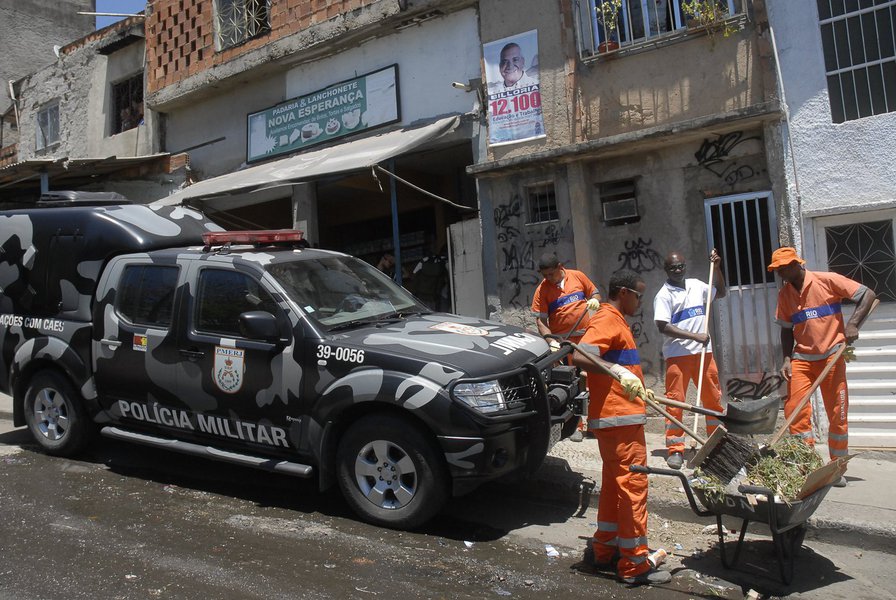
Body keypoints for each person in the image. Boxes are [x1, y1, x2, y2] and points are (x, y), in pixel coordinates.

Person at [570, 270, 672, 586]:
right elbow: (581, 356)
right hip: (619, 420)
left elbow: (611, 361)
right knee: (633, 487)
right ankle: (634, 564)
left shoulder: (613, 319)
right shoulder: (607, 319)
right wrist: (617, 372)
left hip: (617, 417)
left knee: (616, 486)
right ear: (624, 292)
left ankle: (604, 549)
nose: (641, 301)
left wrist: (635, 382)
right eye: (639, 295)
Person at [768, 247, 876, 485]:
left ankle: (836, 468)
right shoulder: (785, 294)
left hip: (831, 356)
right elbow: (786, 330)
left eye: (785, 267)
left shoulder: (827, 280)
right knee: (794, 411)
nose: (782, 273)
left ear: (797, 264)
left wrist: (853, 324)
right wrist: (786, 359)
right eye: (778, 270)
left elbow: (867, 294)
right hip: (802, 360)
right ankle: (806, 465)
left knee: (837, 412)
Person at [653, 248, 727, 470]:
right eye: (673, 267)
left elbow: (720, 292)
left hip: (704, 353)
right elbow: (662, 326)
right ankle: (675, 450)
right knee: (675, 402)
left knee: (713, 400)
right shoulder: (663, 295)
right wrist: (695, 336)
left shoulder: (696, 285)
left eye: (681, 266)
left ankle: (716, 445)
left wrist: (718, 268)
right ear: (666, 270)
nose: (678, 270)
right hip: (678, 355)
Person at [531, 252, 601, 440]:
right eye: (544, 275)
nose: (548, 279)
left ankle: (595, 424)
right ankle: (576, 425)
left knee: (591, 379)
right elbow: (541, 321)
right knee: (571, 382)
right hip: (564, 343)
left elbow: (594, 292)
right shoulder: (543, 289)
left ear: (560, 267)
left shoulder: (577, 276)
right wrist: (551, 341)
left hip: (586, 339)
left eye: (551, 274)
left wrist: (594, 299)